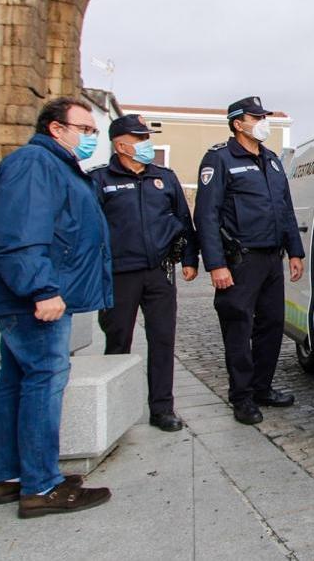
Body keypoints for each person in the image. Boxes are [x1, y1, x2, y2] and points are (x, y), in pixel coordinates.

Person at [0, 96, 114, 518]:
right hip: (38, 298)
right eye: (85, 129)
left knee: (16, 381)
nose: (92, 136)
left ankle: (12, 477)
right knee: (44, 381)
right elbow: (18, 233)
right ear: (57, 128)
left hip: (42, 293)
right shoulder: (35, 164)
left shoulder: (57, 165)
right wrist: (41, 289)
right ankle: (41, 486)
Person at [194, 96, 305, 425]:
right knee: (239, 329)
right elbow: (207, 215)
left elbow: (285, 210)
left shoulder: (271, 161)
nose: (262, 122)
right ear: (237, 123)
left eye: (263, 116)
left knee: (271, 324)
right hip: (240, 260)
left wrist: (295, 251)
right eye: (255, 117)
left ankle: (262, 387)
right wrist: (216, 264)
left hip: (272, 259)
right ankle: (241, 397)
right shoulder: (220, 159)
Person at [91, 115, 199, 432]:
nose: (146, 145)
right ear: (120, 144)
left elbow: (183, 219)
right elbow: (90, 229)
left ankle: (162, 408)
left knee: (163, 340)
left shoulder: (164, 178)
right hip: (120, 274)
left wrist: (190, 258)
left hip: (160, 274)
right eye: (140, 139)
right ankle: (114, 408)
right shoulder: (100, 180)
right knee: (118, 341)